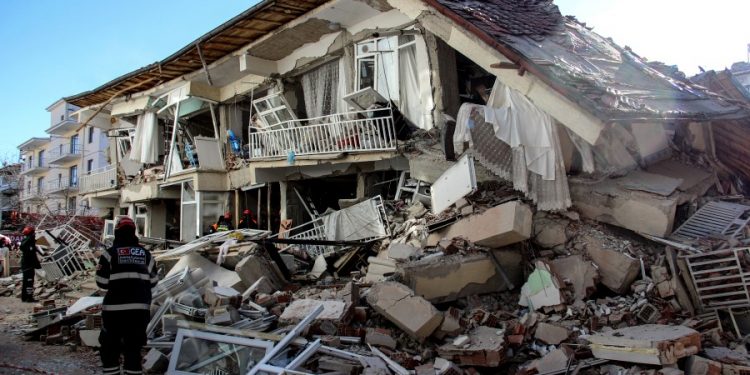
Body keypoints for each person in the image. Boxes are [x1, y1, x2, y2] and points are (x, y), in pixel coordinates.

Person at [96, 216, 158, 375]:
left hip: (114, 312)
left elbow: (101, 283)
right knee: (133, 350)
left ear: (117, 232)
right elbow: (154, 281)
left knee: (110, 349)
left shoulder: (109, 254)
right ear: (133, 232)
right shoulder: (146, 254)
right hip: (139, 311)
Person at [19, 226, 40, 302]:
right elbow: (32, 256)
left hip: (25, 265)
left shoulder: (25, 242)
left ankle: (24, 297)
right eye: (33, 232)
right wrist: (37, 265)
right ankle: (29, 297)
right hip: (29, 266)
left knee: (25, 282)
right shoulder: (29, 243)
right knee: (29, 282)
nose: (34, 234)